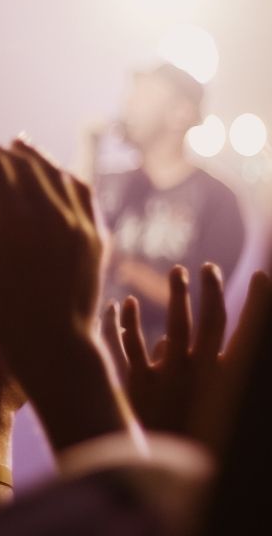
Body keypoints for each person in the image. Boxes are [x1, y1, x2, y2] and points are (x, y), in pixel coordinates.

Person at [87, 63, 246, 342]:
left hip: (160, 376)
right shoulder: (109, 183)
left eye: (143, 96)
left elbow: (200, 304)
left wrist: (119, 263)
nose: (128, 104)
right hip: (90, 365)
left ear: (181, 114)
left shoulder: (219, 201)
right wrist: (87, 150)